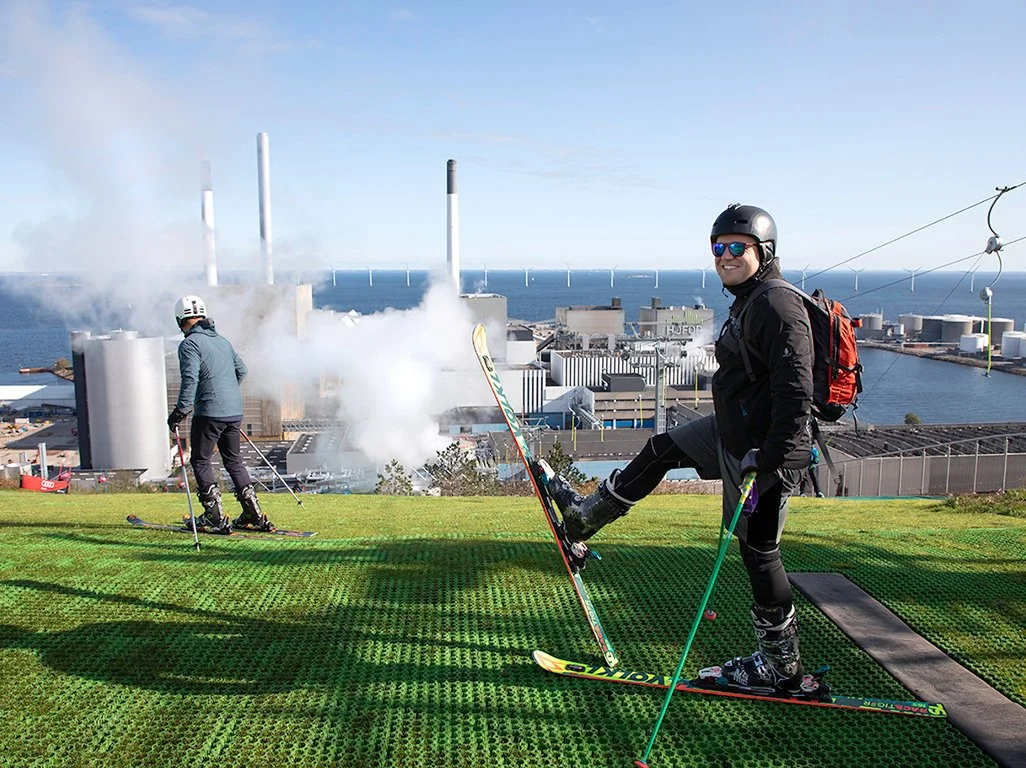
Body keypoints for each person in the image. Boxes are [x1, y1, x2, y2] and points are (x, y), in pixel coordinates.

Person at [546, 204, 821, 696]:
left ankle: (783, 669)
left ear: (766, 251)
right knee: (661, 448)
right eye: (718, 247)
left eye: (738, 247)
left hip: (763, 456)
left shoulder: (777, 306)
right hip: (730, 433)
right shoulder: (749, 299)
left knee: (759, 553)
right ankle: (584, 518)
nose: (725, 255)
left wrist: (772, 456)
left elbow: (797, 392)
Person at [167, 295, 274, 534]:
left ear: (179, 320)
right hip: (234, 411)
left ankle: (213, 516)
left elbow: (190, 379)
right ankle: (253, 514)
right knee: (234, 461)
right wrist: (227, 394)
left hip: (208, 412)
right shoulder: (223, 342)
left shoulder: (190, 344)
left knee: (201, 460)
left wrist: (180, 411)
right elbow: (241, 370)